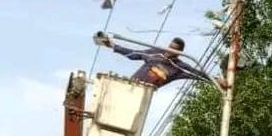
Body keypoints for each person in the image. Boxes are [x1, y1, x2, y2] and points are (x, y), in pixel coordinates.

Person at [95, 33, 226, 90]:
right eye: (169, 47)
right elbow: (133, 54)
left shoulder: (179, 68)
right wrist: (113, 45)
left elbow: (197, 75)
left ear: (179, 52)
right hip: (131, 84)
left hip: (145, 92)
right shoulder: (155, 53)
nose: (169, 51)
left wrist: (216, 81)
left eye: (174, 50)